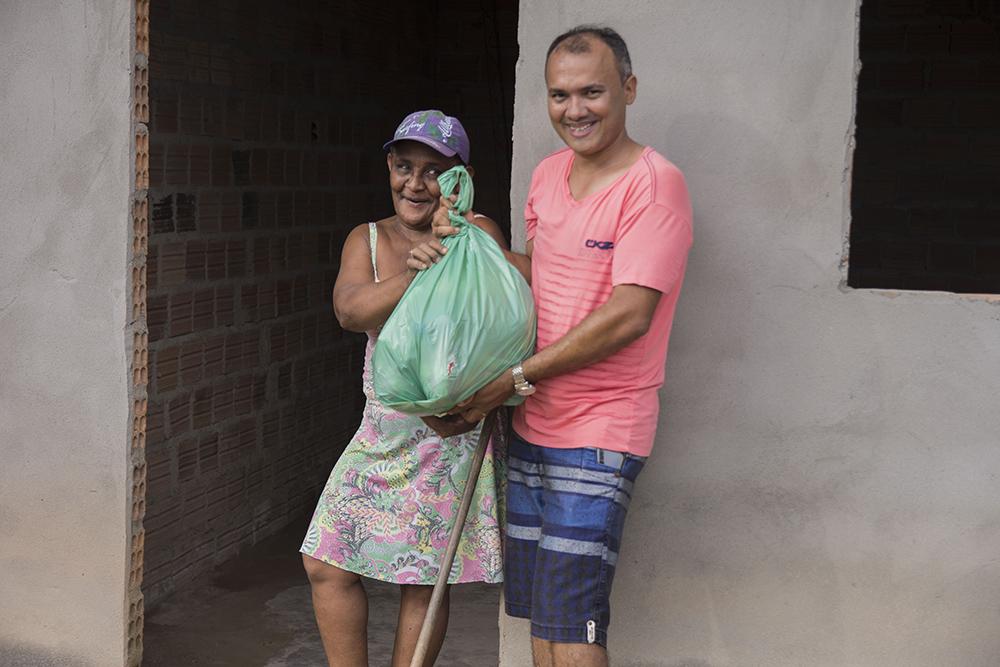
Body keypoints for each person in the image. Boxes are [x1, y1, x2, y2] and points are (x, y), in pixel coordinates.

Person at [427, 25, 693, 667]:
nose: (575, 110)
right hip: (533, 424)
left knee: (574, 626)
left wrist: (513, 376)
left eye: (593, 92)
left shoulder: (655, 186)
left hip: (601, 431)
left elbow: (629, 314)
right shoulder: (548, 175)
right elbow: (543, 280)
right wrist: (470, 246)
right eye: (560, 95)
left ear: (627, 89)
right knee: (543, 621)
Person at [300, 109, 511, 667]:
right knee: (326, 563)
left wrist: (462, 239)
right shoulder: (366, 239)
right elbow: (350, 311)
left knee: (422, 579)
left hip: (449, 433)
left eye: (433, 171)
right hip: (381, 428)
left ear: (460, 176)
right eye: (403, 167)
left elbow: (510, 313)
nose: (415, 184)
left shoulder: (480, 232)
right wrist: (415, 271)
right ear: (389, 168)